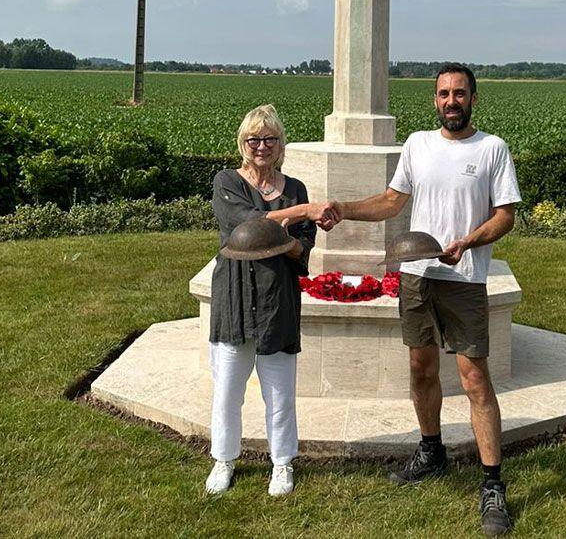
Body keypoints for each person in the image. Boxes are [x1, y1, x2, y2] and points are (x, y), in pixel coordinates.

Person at [324, 63, 521, 536]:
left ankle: (492, 484)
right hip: (417, 276)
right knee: (421, 368)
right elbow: (392, 202)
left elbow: (506, 215)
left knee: (474, 378)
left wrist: (468, 242)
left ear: (474, 98)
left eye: (459, 93)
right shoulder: (417, 144)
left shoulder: (491, 149)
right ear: (435, 100)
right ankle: (431, 450)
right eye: (443, 94)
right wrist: (343, 210)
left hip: (464, 277)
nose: (451, 101)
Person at [205, 104, 337, 496]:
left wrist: (289, 237)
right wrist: (304, 214)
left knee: (279, 389)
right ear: (242, 143)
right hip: (234, 294)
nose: (261, 146)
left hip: (277, 298)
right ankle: (224, 459)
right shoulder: (226, 181)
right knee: (228, 387)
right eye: (253, 139)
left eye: (270, 139)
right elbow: (246, 226)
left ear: (280, 144)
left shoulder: (293, 187)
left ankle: (282, 463)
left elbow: (303, 247)